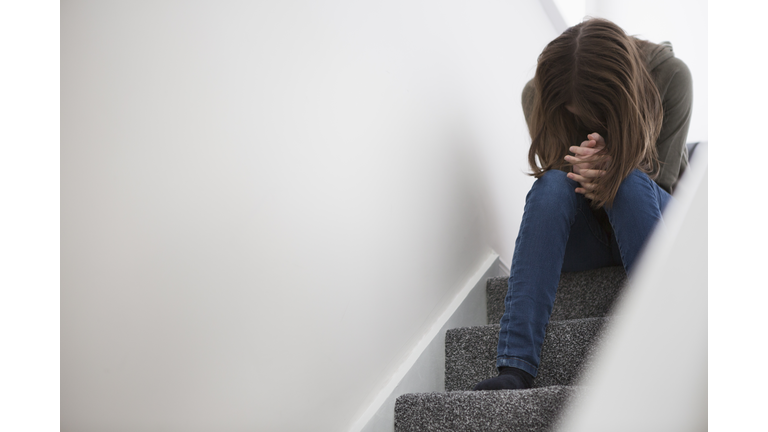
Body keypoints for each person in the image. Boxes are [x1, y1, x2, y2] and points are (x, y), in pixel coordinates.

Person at [473, 17, 693, 391]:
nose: (585, 120)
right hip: (588, 234)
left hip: (648, 220)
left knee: (628, 182)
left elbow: (662, 183)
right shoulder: (540, 95)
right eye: (576, 114)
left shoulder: (670, 77)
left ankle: (668, 344)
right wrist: (582, 169)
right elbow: (561, 194)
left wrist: (616, 165)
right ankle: (515, 367)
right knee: (553, 184)